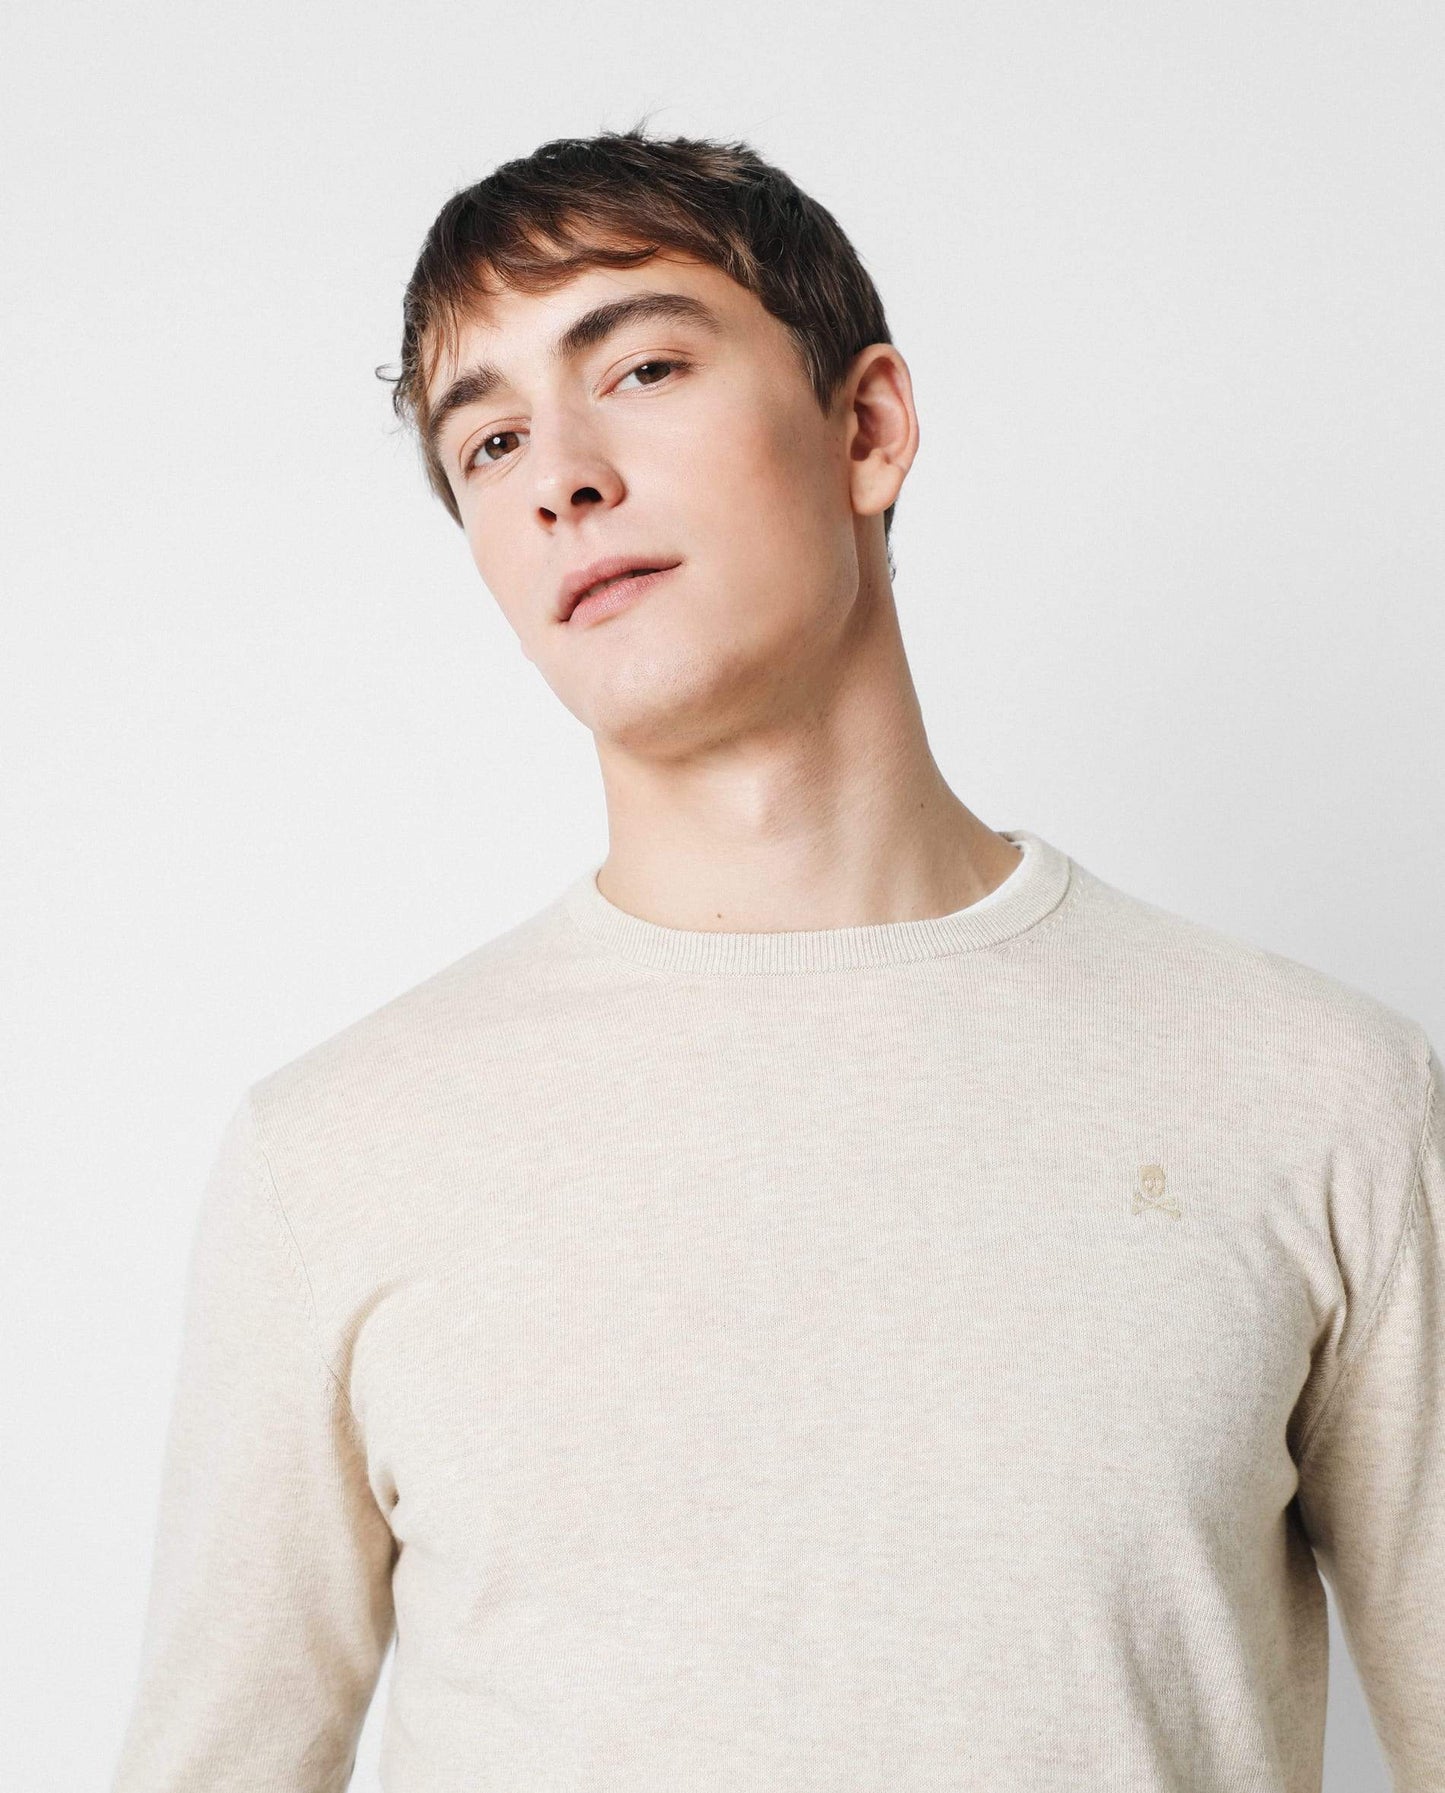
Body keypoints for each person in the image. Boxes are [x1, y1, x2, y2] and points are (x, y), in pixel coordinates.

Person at [112, 126, 1442, 1792]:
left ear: (864, 426)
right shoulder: (332, 1151)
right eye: (491, 440)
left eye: (642, 367)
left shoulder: (1316, 1092)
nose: (560, 475)